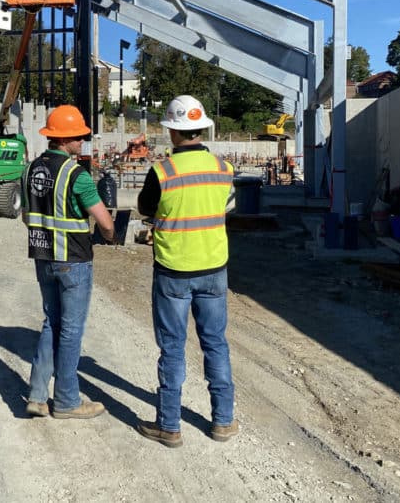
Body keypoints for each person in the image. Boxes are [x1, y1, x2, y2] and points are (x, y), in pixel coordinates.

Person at [136, 95, 239, 447]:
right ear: (202, 127)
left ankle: (170, 425)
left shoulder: (162, 171)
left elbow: (145, 209)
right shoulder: (224, 168)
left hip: (174, 270)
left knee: (173, 348)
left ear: (172, 132)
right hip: (214, 268)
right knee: (215, 344)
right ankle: (223, 421)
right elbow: (229, 207)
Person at [23, 105, 115, 420]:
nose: (83, 140)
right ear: (65, 139)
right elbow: (104, 222)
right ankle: (66, 401)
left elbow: (28, 217)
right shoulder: (77, 175)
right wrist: (111, 233)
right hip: (73, 260)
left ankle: (37, 396)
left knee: (52, 322)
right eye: (79, 136)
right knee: (71, 330)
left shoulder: (31, 169)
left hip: (42, 257)